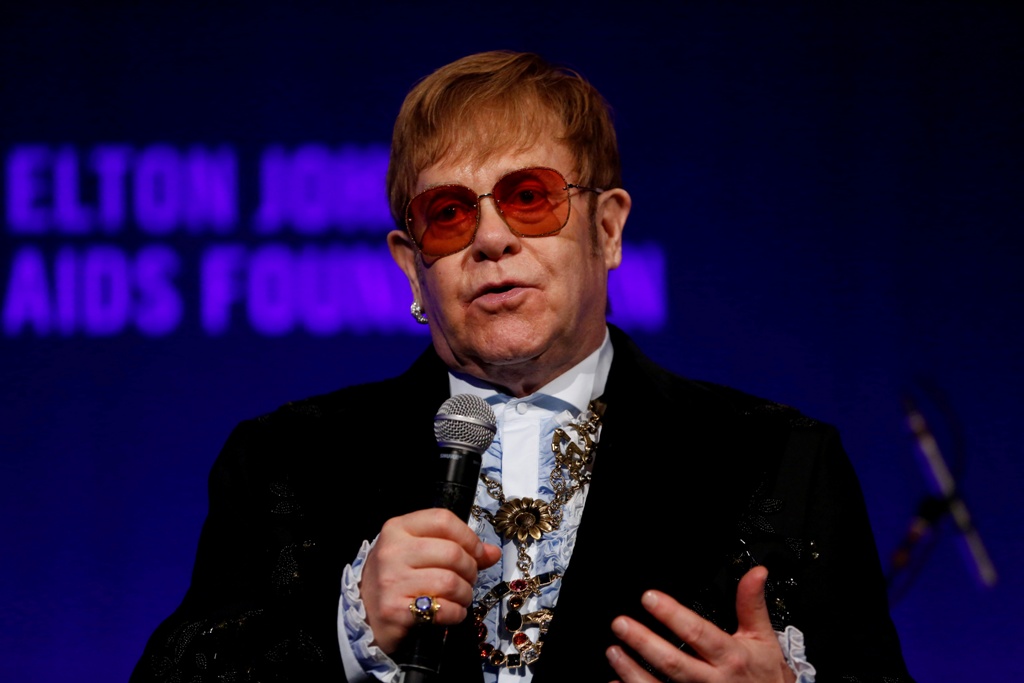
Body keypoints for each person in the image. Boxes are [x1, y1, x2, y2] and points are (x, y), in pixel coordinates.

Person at [132, 51, 913, 683]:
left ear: (607, 229)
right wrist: (348, 632)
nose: (492, 239)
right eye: (450, 213)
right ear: (412, 267)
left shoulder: (779, 458)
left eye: (530, 197)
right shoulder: (287, 461)